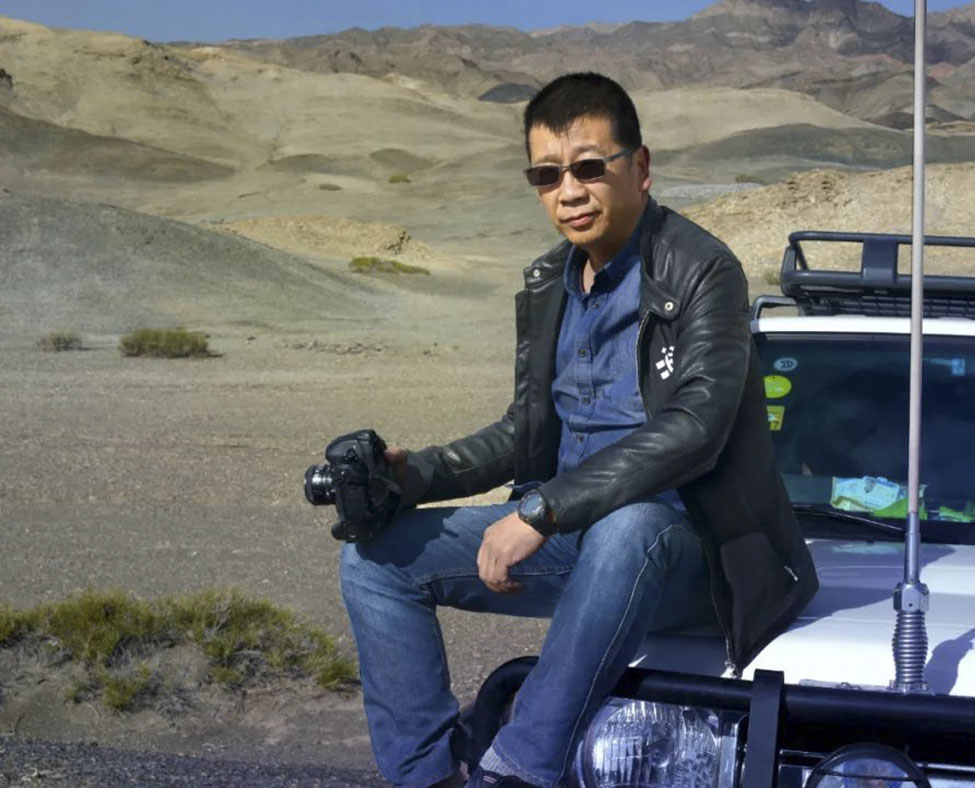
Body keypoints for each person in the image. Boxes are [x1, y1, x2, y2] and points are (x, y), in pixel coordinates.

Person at [338, 72, 818, 788]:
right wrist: (414, 475)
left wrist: (541, 510)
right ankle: (426, 776)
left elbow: (697, 427)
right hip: (575, 540)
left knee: (631, 526)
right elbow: (528, 431)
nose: (568, 192)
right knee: (373, 561)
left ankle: (518, 771)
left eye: (589, 168)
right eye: (546, 175)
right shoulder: (549, 282)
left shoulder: (701, 269)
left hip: (697, 554)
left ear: (640, 167)